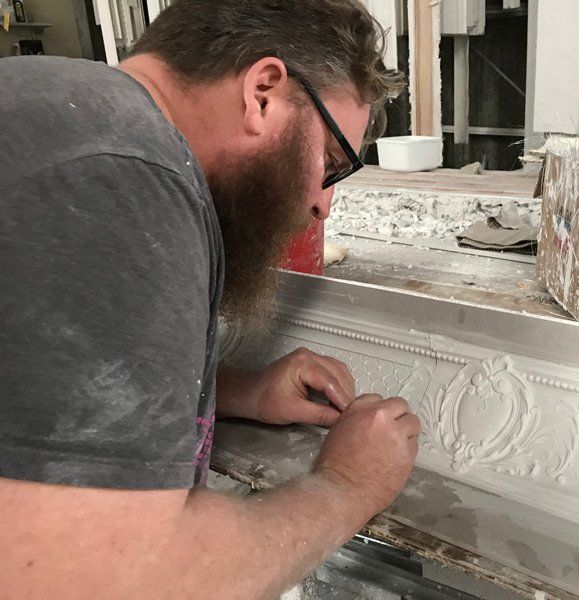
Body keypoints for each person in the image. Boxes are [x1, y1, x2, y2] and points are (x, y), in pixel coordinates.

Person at [0, 0, 420, 597]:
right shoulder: (121, 180)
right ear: (264, 92)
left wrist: (235, 390)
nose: (322, 204)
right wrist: (346, 485)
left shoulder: (59, 113)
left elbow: (27, 378)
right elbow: (127, 580)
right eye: (329, 163)